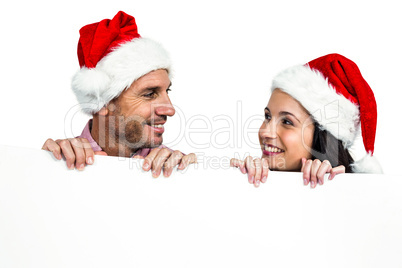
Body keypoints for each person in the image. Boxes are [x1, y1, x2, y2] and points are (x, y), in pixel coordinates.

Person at [42, 11, 196, 178]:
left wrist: (202, 178)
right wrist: (42, 166)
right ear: (102, 103)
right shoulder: (59, 162)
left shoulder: (175, 168)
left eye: (167, 91)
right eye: (150, 94)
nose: (170, 110)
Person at [230, 53, 382, 188]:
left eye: (287, 122)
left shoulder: (354, 193)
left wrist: (340, 187)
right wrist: (238, 181)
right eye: (267, 117)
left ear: (323, 137)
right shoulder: (250, 177)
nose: (265, 132)